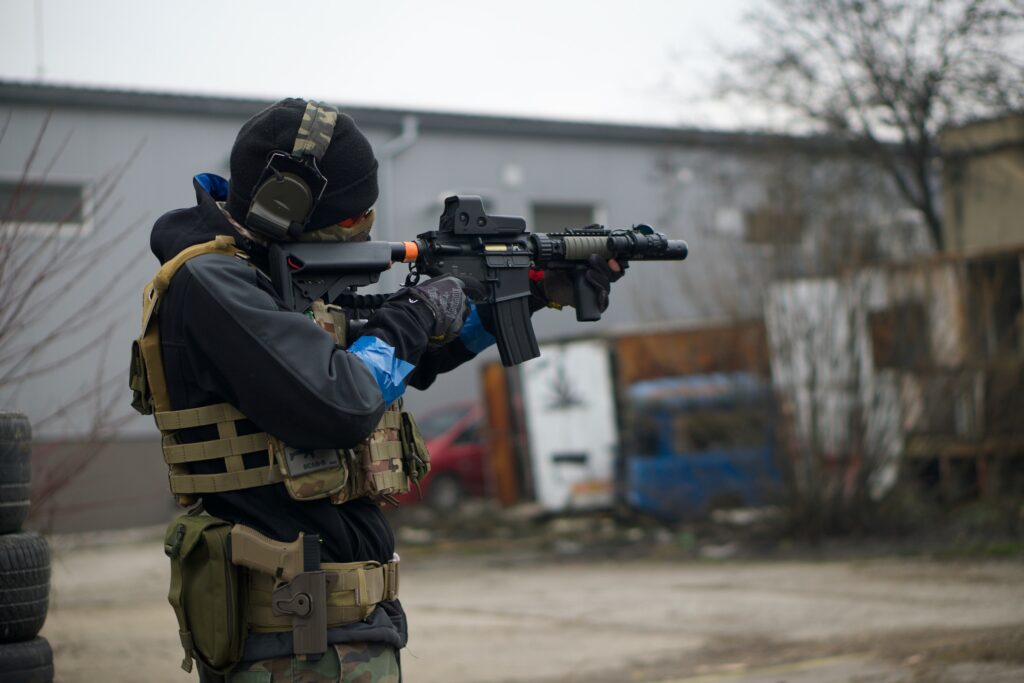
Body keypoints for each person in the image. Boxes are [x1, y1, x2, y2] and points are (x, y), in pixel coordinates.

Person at [131, 98, 623, 683]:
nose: (363, 225)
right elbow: (344, 400)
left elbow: (399, 361)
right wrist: (417, 309)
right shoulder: (213, 284)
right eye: (351, 216)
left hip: (337, 631)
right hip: (290, 640)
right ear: (284, 205)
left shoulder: (264, 278)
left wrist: (529, 291)